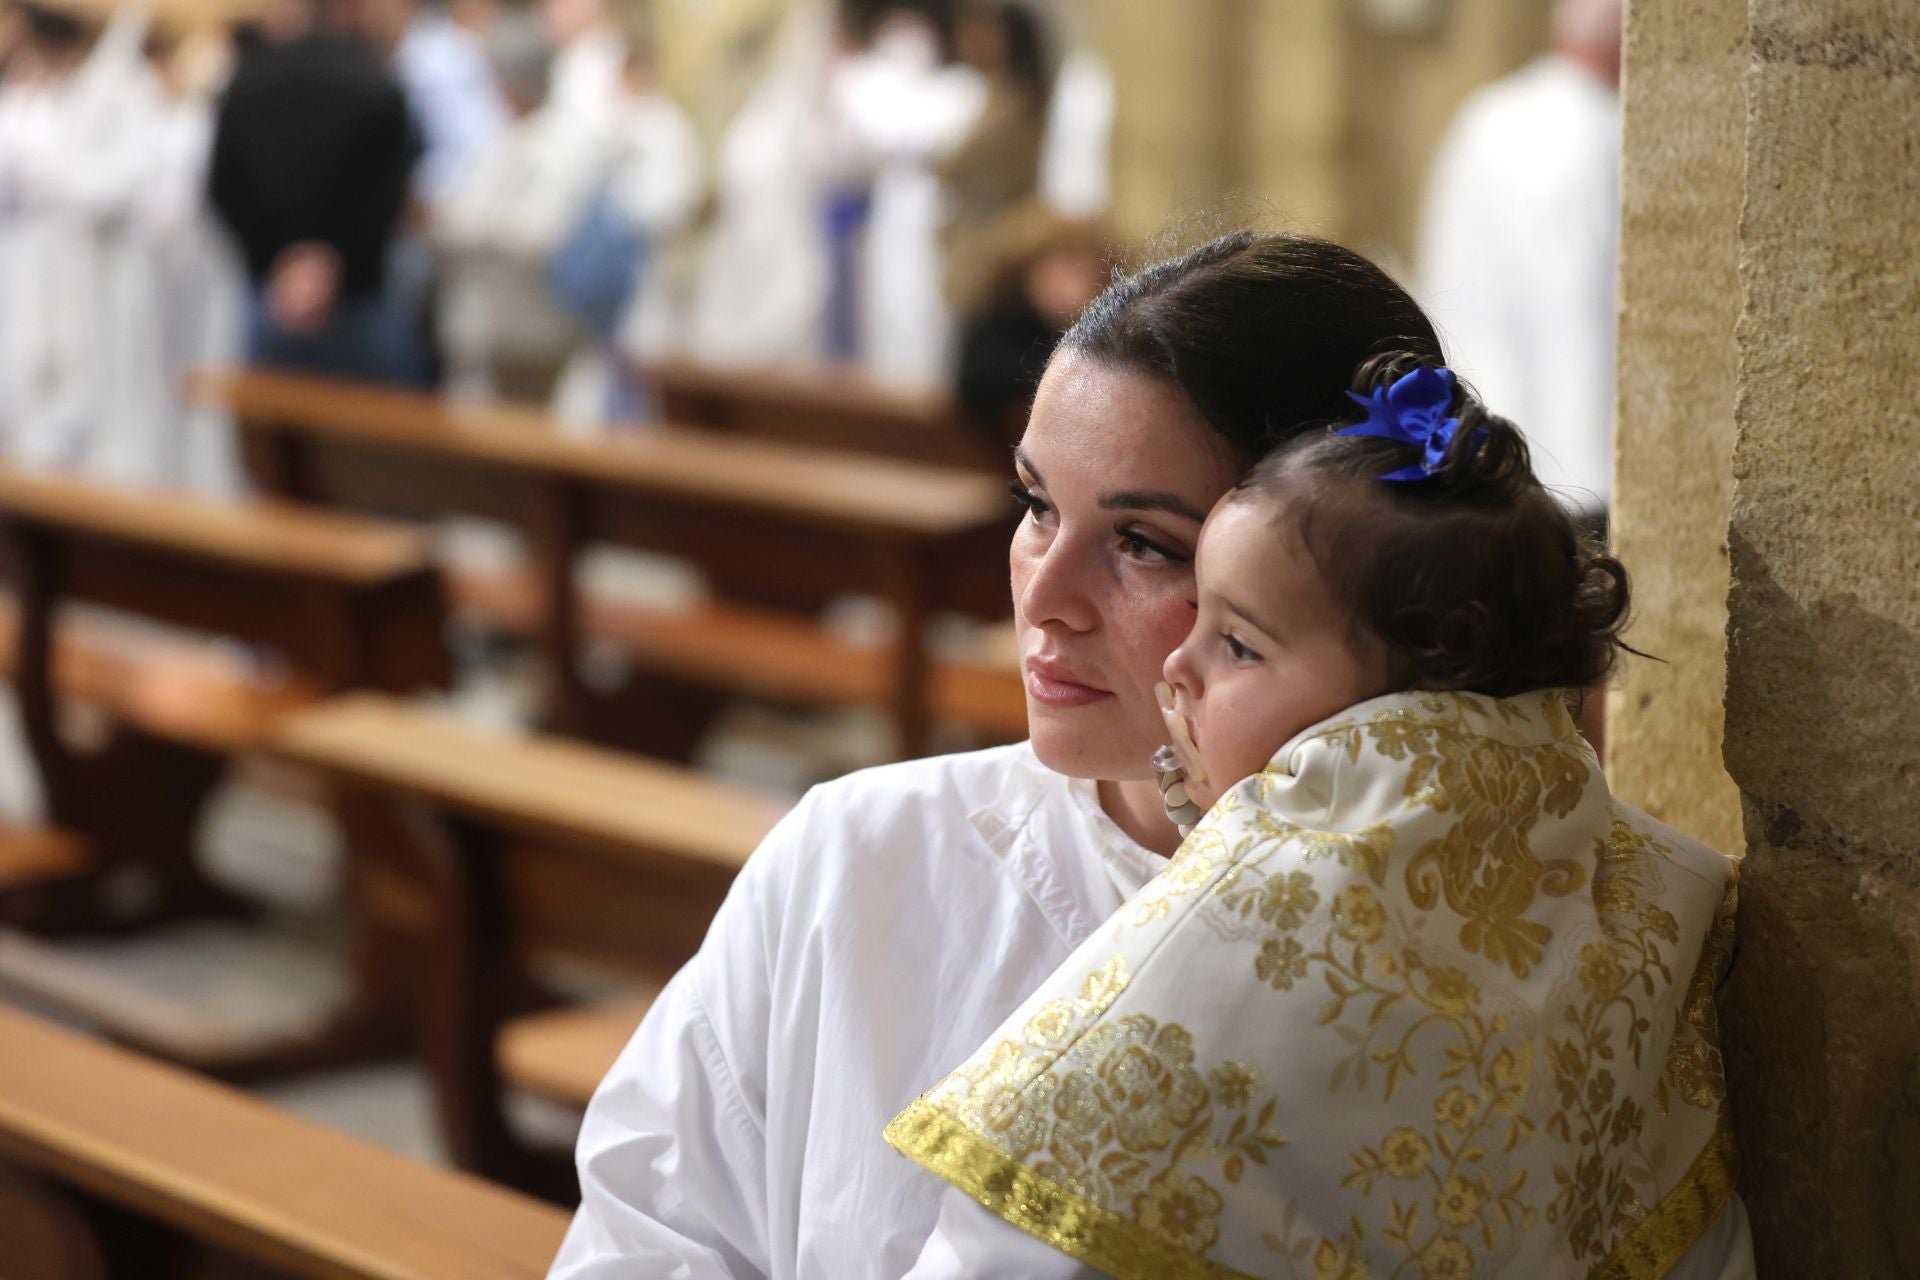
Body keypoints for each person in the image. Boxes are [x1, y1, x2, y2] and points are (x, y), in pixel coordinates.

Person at [546, 230, 1708, 1278]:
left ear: (1373, 590)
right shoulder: (856, 860)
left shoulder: (1558, 961)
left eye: (1146, 543)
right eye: (1036, 502)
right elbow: (649, 1233)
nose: (1043, 596)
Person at [886, 357, 1753, 1276]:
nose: (1180, 666)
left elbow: (1028, 1240)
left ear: (1414, 703)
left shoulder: (1260, 917)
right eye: (1036, 503)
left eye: (1237, 643)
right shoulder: (1632, 902)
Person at [1416, 0, 1622, 530]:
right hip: (1583, 464)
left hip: (1480, 442)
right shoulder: (1607, 137)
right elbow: (1588, 313)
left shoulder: (1488, 115)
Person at [207, 0, 423, 384]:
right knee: (369, 432)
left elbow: (222, 189)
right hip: (355, 300)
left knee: (269, 429)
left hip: (272, 295)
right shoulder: (378, 85)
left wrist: (282, 263)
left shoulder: (247, 83)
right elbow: (388, 199)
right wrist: (330, 265)